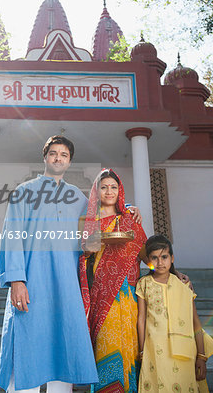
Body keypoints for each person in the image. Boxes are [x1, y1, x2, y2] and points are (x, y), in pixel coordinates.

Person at [0, 135, 99, 392]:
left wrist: (128, 209)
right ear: (45, 157)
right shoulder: (24, 192)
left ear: (69, 161)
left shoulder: (77, 197)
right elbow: (12, 236)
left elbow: (101, 221)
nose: (58, 158)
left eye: (64, 155)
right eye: (53, 153)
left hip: (65, 286)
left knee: (63, 347)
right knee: (26, 345)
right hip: (31, 283)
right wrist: (16, 280)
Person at [79, 168, 148, 392]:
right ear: (96, 191)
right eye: (104, 187)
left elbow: (150, 257)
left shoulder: (130, 219)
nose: (109, 191)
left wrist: (174, 274)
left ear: (121, 191)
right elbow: (83, 255)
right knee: (106, 346)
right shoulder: (89, 222)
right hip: (102, 294)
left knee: (130, 347)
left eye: (114, 187)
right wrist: (90, 246)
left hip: (128, 296)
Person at [136, 234, 213, 393]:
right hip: (154, 350)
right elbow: (141, 320)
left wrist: (201, 356)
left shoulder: (183, 285)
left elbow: (195, 322)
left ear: (172, 258)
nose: (160, 262)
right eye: (154, 258)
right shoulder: (144, 284)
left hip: (183, 351)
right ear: (149, 262)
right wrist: (142, 350)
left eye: (164, 257)